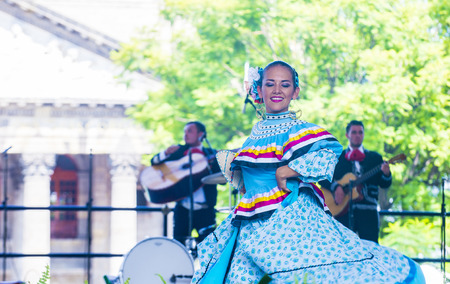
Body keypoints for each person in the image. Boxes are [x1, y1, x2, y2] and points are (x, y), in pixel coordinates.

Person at [191, 61, 424, 283]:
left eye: (285, 84)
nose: (277, 90)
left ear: (295, 92)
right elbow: (250, 175)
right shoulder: (256, 134)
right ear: (259, 90)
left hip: (288, 218)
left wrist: (288, 170)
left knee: (301, 274)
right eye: (270, 83)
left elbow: (329, 149)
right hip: (250, 219)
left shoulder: (297, 129)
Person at [151, 121, 221, 246]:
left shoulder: (211, 154)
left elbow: (221, 179)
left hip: (205, 210)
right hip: (183, 209)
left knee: (210, 247)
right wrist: (165, 153)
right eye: (185, 131)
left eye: (190, 131)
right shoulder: (178, 152)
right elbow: (154, 162)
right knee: (178, 246)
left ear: (201, 134)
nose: (186, 135)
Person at [321, 120, 392, 243]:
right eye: (354, 132)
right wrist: (336, 187)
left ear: (364, 135)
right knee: (344, 248)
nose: (357, 135)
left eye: (360, 132)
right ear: (347, 135)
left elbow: (385, 184)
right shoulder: (338, 158)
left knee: (371, 248)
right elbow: (322, 178)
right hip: (343, 213)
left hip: (368, 213)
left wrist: (387, 174)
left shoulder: (375, 158)